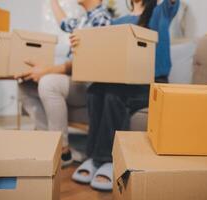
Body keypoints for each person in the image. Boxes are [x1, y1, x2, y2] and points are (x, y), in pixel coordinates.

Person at [71, 0, 180, 191]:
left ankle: (107, 159)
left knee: (115, 93)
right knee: (95, 90)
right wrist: (79, 43)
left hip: (154, 83)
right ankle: (92, 158)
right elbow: (106, 52)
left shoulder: (161, 11)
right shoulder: (117, 21)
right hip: (123, 80)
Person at [15, 0, 111, 167]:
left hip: (88, 84)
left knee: (48, 83)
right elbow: (63, 22)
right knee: (25, 85)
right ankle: (51, 143)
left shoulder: (102, 19)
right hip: (74, 80)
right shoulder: (83, 19)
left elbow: (89, 61)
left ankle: (63, 152)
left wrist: (48, 70)